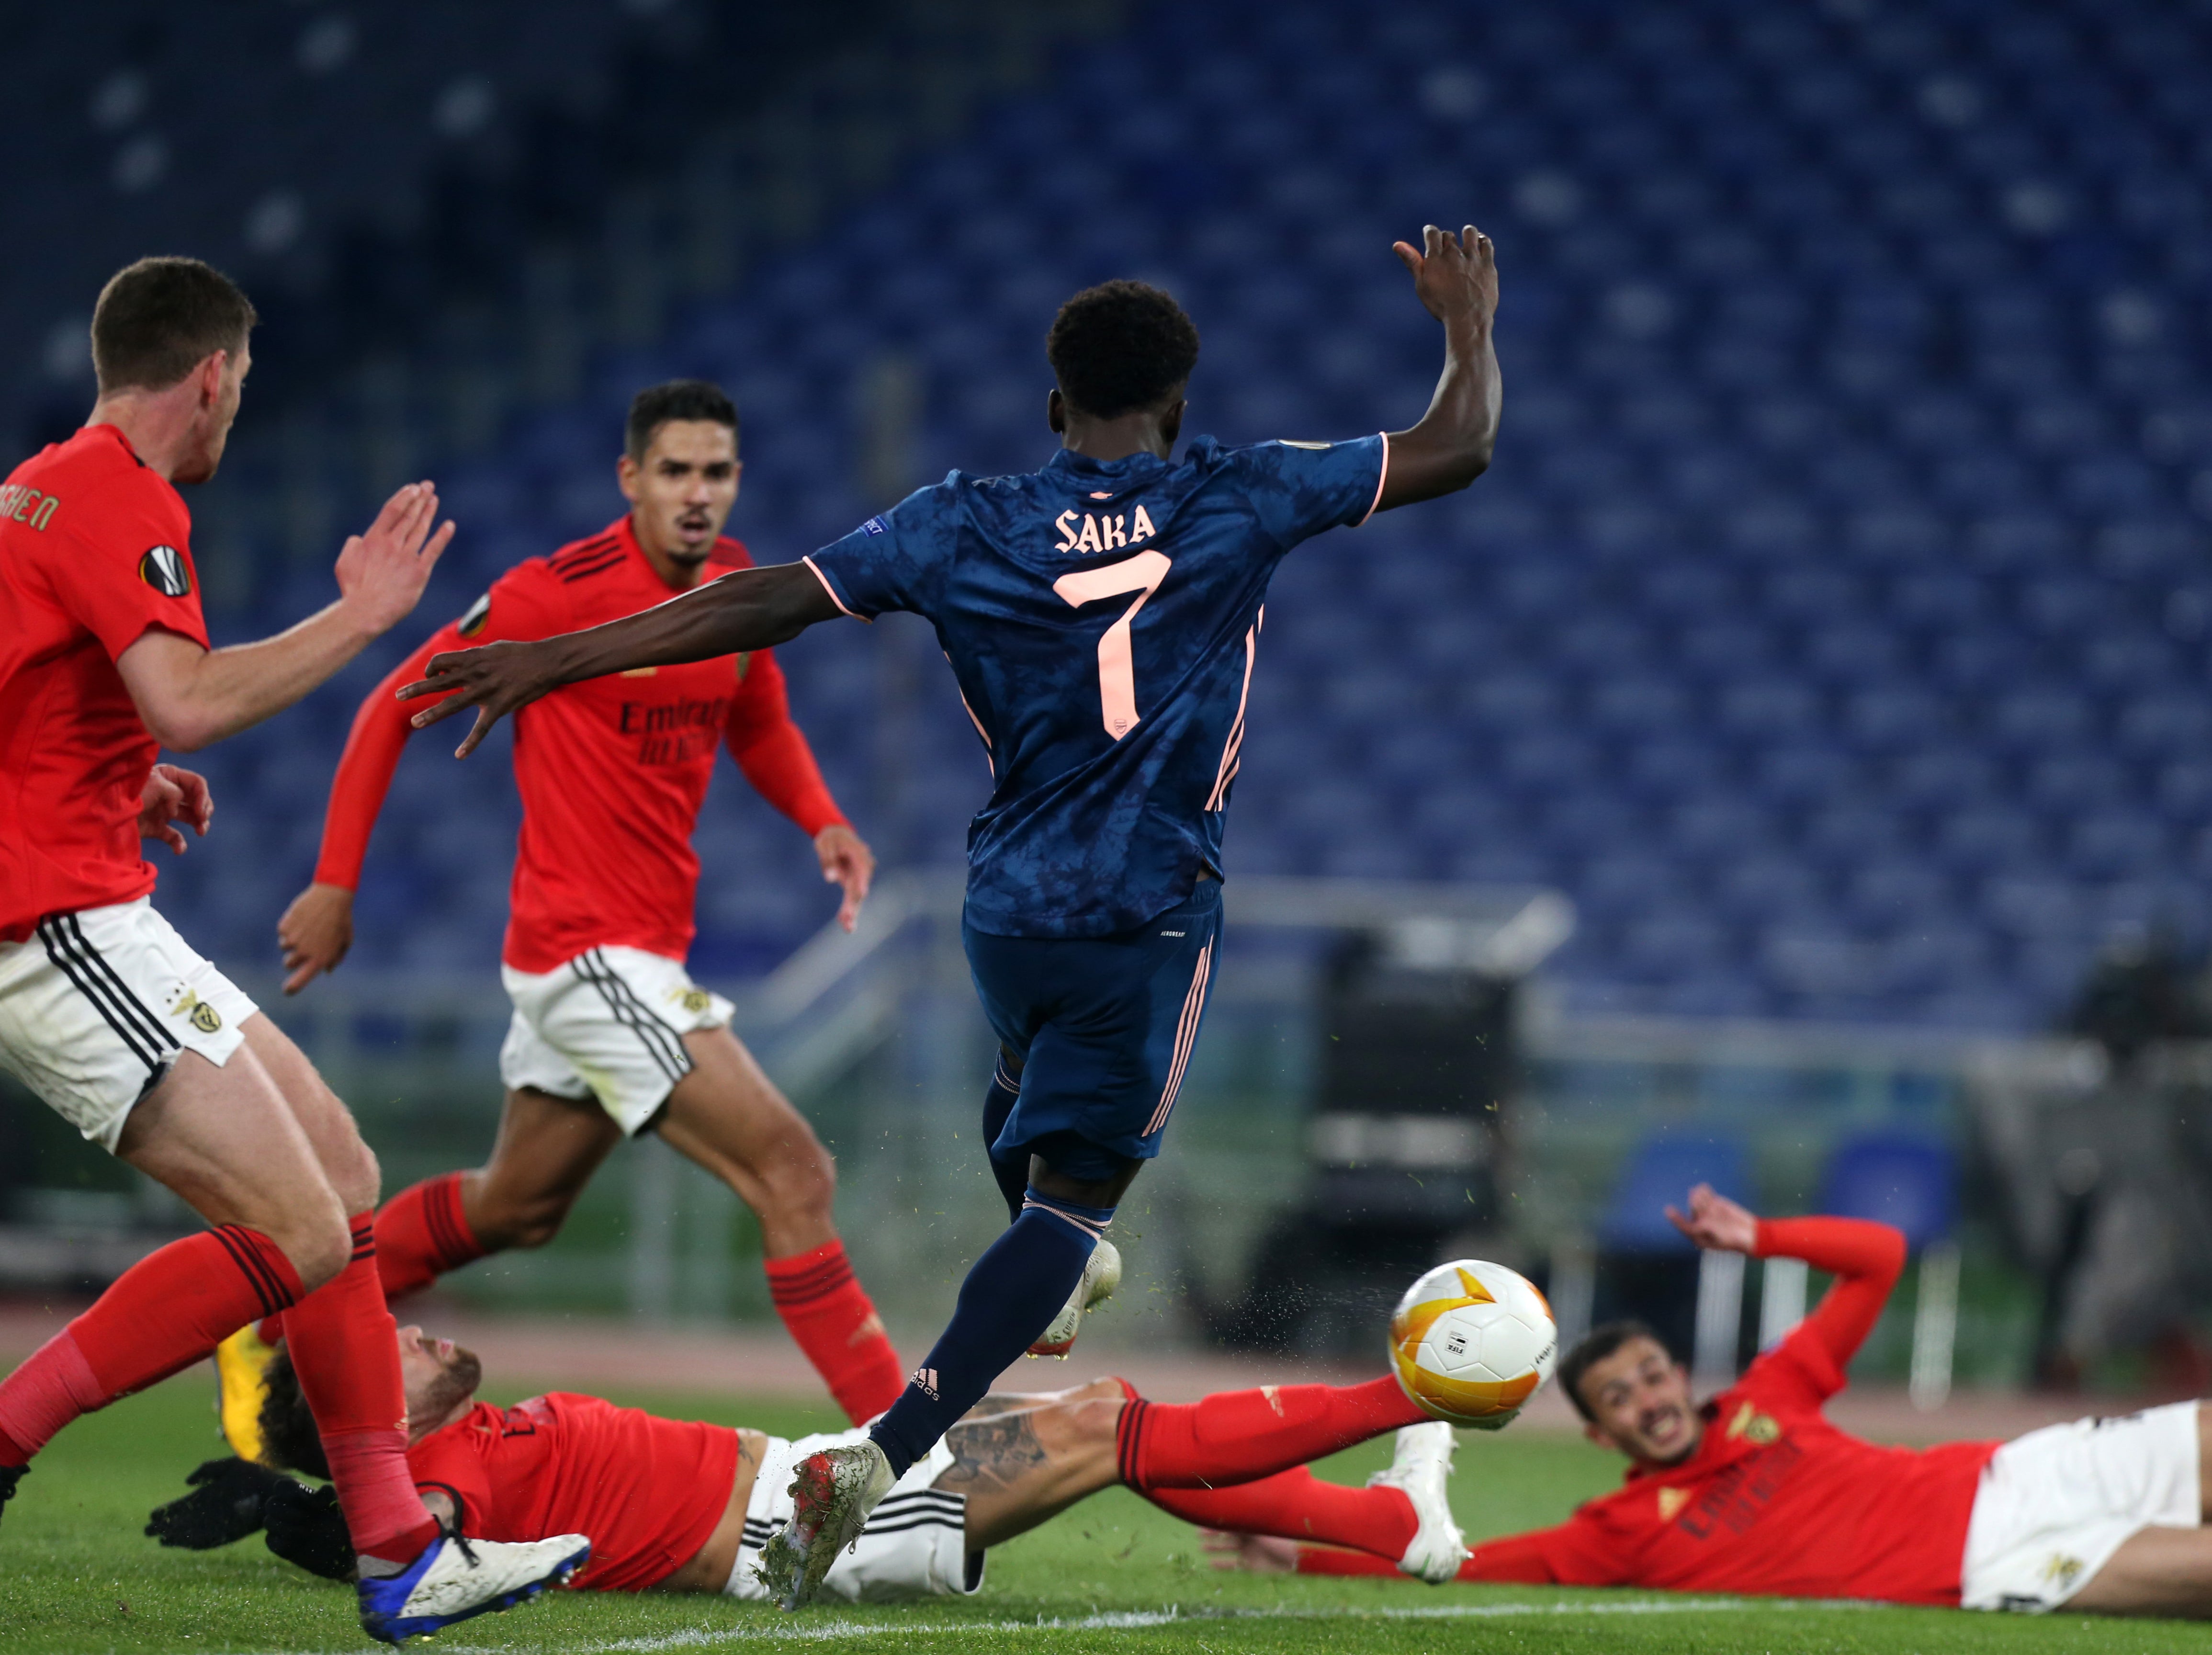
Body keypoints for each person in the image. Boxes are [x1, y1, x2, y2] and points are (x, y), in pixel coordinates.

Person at [393, 225, 1502, 1604]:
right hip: (1142, 909)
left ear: (1054, 409)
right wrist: (1466, 322)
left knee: (1032, 1142)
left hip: (1005, 908)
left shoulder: (961, 517)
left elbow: (761, 600)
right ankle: (885, 1446)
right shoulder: (1242, 492)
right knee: (1072, 1209)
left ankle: (1054, 1262)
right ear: (1179, 404)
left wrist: (557, 656)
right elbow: (1455, 444)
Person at [0, 255, 587, 1643]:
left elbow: (57, 697)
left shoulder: (37, 483)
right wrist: (363, 618)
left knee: (343, 1177)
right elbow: (189, 700)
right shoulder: (112, 496)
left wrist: (111, 777)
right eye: (241, 388)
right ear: (209, 375)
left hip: (93, 896)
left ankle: (397, 1549)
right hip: (53, 929)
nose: (238, 416)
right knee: (297, 1230)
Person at [256, 379, 901, 1442]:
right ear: (631, 480)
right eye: (677, 471)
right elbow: (390, 708)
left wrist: (821, 818)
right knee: (794, 1172)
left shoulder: (736, 587)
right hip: (588, 955)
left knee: (517, 1207)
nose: (699, 494)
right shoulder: (553, 596)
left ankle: (279, 1319)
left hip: (627, 953)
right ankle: (915, 1463)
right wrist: (335, 885)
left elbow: (759, 716)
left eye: (718, 473)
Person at [1216, 1185, 2212, 1620]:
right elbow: (1464, 1566)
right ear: (1600, 1432)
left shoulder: (1770, 1395)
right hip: (2005, 1560)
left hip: (2022, 1471)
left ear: (1677, 1375)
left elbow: (1879, 1262)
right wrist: (1298, 1551)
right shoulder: (1622, 1535)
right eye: (1621, 1397)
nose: (1649, 1397)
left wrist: (1763, 1237)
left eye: (1652, 1373)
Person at [149, 1322, 1467, 1600]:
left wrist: (300, 1496)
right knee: (1106, 1422)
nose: (422, 1327)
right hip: (807, 1533)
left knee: (1091, 1425)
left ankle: (1392, 1529)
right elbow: (411, 1545)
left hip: (816, 1479)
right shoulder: (450, 1473)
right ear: (354, 1398)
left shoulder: (455, 1441)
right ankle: (1396, 1401)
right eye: (396, 1339)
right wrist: (293, 1513)